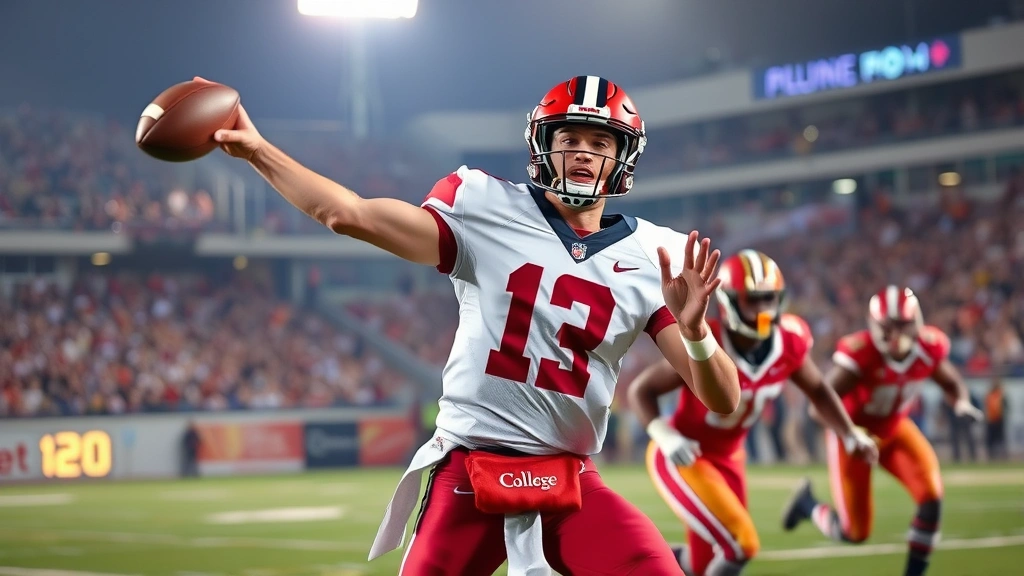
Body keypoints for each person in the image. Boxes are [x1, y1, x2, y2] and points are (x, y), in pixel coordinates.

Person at [205, 75, 740, 575]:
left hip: (570, 480)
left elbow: (722, 398)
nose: (582, 151)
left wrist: (695, 334)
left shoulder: (657, 255)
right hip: (469, 468)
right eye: (569, 137)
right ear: (542, 145)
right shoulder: (485, 205)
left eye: (600, 143)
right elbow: (351, 215)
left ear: (622, 158)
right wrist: (257, 149)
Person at [629, 250, 877, 576]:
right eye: (753, 301)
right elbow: (641, 390)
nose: (763, 310)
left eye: (769, 300)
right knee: (741, 544)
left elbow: (818, 390)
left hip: (730, 458)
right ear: (729, 301)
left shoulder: (788, 341)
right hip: (686, 456)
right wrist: (664, 435)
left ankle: (625, 567)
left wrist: (848, 432)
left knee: (702, 565)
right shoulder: (705, 338)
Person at [782, 285, 984, 576]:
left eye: (903, 325)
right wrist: (850, 434)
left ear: (916, 321)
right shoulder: (860, 355)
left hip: (894, 428)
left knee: (931, 499)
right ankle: (808, 504)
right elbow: (818, 407)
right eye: (890, 327)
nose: (898, 335)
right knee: (855, 532)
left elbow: (951, 382)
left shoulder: (928, 346)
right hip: (855, 438)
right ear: (875, 326)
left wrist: (962, 402)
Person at [985, 377, 1008, 460]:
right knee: (991, 440)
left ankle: (1002, 456)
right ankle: (991, 456)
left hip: (999, 420)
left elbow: (1006, 407)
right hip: (991, 420)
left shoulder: (1001, 395)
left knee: (1000, 439)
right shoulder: (989, 395)